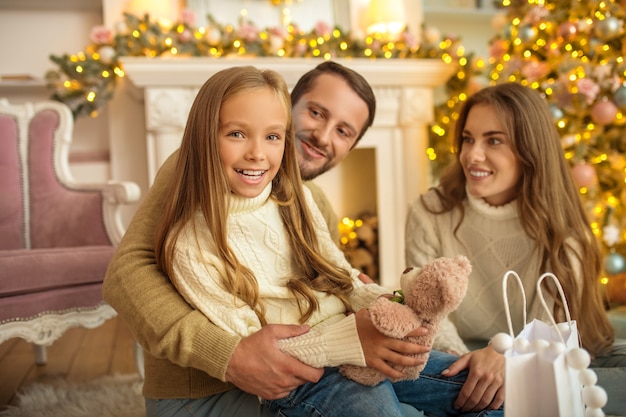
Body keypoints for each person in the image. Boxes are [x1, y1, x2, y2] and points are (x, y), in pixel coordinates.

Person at [103, 61, 492, 416]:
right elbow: (126, 272)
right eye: (316, 112)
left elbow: (336, 286)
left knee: (465, 394)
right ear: (287, 108)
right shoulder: (198, 170)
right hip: (211, 383)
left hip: (322, 361)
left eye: (343, 131)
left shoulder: (312, 202)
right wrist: (229, 354)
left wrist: (417, 335)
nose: (322, 136)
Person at [405, 81, 626, 414]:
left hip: (536, 356)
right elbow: (426, 312)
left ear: (530, 149)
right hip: (457, 357)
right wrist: (466, 365)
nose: (472, 155)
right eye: (468, 138)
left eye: (494, 140)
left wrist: (509, 359)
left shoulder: (562, 229)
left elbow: (550, 332)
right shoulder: (430, 212)